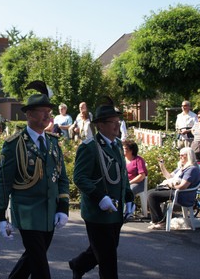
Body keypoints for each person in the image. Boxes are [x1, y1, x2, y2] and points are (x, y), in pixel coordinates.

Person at [0, 82, 70, 279]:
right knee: (41, 269)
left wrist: (63, 208)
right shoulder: (14, 145)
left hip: (49, 213)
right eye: (42, 111)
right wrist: (0, 215)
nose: (47, 115)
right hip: (27, 213)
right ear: (29, 114)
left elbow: (61, 178)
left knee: (32, 260)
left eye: (48, 111)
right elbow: (3, 182)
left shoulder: (53, 143)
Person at [68, 103, 133, 279]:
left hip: (115, 210)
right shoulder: (89, 147)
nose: (117, 125)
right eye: (113, 122)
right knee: (107, 259)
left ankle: (78, 264)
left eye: (118, 121)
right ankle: (80, 265)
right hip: (98, 212)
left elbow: (122, 175)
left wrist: (128, 197)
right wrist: (100, 197)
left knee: (104, 249)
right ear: (100, 125)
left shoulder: (117, 145)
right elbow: (80, 178)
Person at [147, 147, 200, 230]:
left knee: (152, 196)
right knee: (150, 192)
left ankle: (160, 222)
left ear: (188, 156)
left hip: (182, 194)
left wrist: (170, 185)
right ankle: (159, 220)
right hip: (175, 190)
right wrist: (162, 166)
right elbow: (169, 177)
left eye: (182, 155)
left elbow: (183, 186)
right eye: (179, 155)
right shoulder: (182, 168)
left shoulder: (191, 169)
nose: (180, 157)